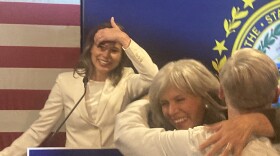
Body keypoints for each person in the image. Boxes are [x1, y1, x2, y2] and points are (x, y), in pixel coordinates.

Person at [0, 17, 158, 156]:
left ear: (121, 55)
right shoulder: (65, 82)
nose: (106, 55)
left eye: (114, 50)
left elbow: (153, 77)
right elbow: (39, 130)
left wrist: (124, 39)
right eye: (101, 47)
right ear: (90, 48)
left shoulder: (127, 79)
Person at [114, 53, 280, 156]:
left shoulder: (201, 141)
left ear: (220, 93)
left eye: (180, 99)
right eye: (164, 103)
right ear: (276, 95)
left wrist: (145, 101)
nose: (171, 110)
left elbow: (127, 135)